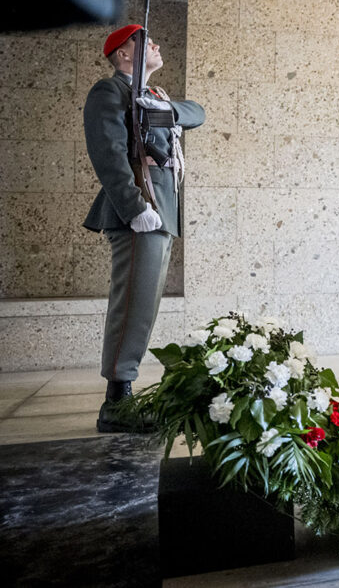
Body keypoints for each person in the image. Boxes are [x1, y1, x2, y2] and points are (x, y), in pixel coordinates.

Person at [84, 24, 205, 432]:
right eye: (145, 40)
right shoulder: (109, 91)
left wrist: (158, 109)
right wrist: (136, 207)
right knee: (132, 304)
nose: (155, 43)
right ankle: (116, 403)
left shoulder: (155, 97)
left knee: (144, 306)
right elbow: (109, 155)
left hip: (162, 211)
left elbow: (197, 113)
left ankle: (123, 393)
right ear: (123, 54)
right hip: (138, 211)